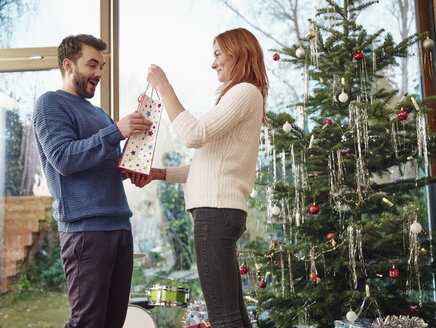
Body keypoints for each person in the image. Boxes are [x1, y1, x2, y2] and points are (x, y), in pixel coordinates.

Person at [129, 27, 268, 328]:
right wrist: (159, 174)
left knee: (224, 317)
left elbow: (194, 134)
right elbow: (207, 166)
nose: (213, 63)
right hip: (222, 211)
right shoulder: (243, 96)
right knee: (235, 316)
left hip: (215, 214)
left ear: (239, 53)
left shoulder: (243, 92)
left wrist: (164, 87)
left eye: (218, 54)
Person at [32, 34, 152, 328]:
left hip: (120, 228)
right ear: (68, 65)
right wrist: (117, 131)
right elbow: (64, 158)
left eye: (102, 66)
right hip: (86, 233)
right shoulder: (50, 104)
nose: (99, 73)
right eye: (92, 65)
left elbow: (107, 165)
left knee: (113, 322)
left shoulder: (100, 114)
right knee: (88, 322)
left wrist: (132, 167)